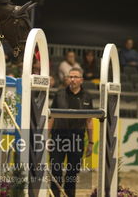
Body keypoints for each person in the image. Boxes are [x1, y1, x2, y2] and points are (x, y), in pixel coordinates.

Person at [48, 68, 94, 197]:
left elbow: (89, 120)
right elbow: (52, 116)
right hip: (58, 137)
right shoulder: (59, 94)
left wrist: (91, 142)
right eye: (70, 77)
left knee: (72, 173)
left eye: (75, 77)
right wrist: (45, 137)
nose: (72, 79)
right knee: (55, 171)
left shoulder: (87, 96)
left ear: (81, 80)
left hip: (77, 138)